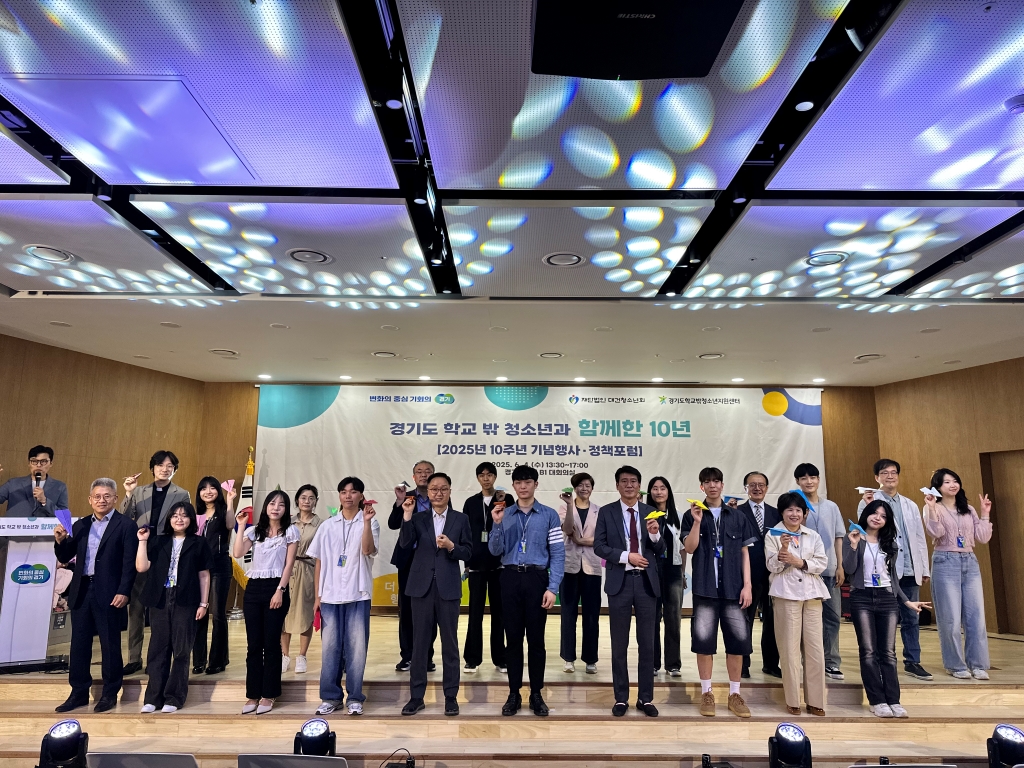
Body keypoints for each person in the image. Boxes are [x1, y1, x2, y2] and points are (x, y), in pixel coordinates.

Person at [53, 478, 137, 713]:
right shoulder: (79, 525)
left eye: (107, 496)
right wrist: (59, 541)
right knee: (79, 645)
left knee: (110, 644)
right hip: (81, 590)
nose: (102, 500)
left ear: (115, 499)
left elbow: (129, 563)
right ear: (90, 500)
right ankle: (78, 692)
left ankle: (110, 693)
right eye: (97, 496)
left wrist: (124, 591)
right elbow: (65, 556)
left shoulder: (126, 525)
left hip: (110, 592)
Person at [488, 464, 565, 717]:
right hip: (509, 577)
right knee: (512, 640)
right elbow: (494, 550)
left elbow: (558, 553)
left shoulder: (549, 515)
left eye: (528, 482)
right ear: (513, 486)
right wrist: (496, 524)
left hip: (537, 578)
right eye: (519, 482)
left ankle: (536, 693)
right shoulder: (504, 513)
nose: (523, 486)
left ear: (535, 484)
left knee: (536, 640)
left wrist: (552, 587)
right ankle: (513, 693)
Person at [843, 500, 931, 718]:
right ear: (866, 514)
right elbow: (849, 569)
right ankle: (877, 700)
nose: (878, 518)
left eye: (883, 516)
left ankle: (893, 700)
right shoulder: (853, 537)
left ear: (887, 521)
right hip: (862, 598)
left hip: (887, 598)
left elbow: (892, 579)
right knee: (868, 651)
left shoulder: (889, 543)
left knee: (888, 653)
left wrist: (907, 601)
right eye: (874, 513)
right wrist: (853, 545)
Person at [682, 467, 756, 718]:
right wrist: (696, 521)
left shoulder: (737, 516)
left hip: (734, 589)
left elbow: (745, 552)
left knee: (737, 643)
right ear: (701, 486)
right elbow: (690, 548)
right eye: (707, 482)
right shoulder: (691, 514)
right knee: (704, 643)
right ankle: (707, 692)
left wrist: (747, 585)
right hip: (705, 589)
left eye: (716, 481)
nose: (712, 485)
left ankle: (735, 694)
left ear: (722, 485)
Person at [399, 472, 472, 717]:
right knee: (419, 644)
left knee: (450, 644)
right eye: (434, 489)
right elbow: (405, 544)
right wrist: (406, 516)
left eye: (443, 489)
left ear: (450, 491)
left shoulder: (461, 519)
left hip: (448, 588)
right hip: (420, 588)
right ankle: (416, 697)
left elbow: (468, 552)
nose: (438, 493)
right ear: (427, 492)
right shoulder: (417, 518)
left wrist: (452, 546)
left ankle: (451, 697)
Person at [595, 466, 665, 717]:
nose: (629, 485)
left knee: (647, 644)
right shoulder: (607, 512)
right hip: (620, 582)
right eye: (624, 481)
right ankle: (621, 698)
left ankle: (645, 698)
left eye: (633, 481)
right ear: (617, 485)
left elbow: (661, 550)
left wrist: (655, 536)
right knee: (619, 643)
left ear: (639, 486)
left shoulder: (651, 512)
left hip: (646, 583)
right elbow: (599, 546)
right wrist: (627, 556)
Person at [308, 477, 380, 716]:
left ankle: (355, 697)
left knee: (357, 648)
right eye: (344, 492)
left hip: (358, 594)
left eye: (353, 492)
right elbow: (319, 562)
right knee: (330, 649)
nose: (348, 496)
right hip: (330, 595)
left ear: (361, 496)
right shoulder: (327, 526)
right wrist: (318, 596)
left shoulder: (370, 522)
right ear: (339, 495)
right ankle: (331, 697)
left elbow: (367, 550)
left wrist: (366, 523)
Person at [858, 459, 932, 681]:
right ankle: (883, 661)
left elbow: (919, 537)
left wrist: (924, 567)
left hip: (910, 568)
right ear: (876, 478)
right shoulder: (869, 502)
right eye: (884, 473)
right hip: (884, 570)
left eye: (893, 472)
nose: (890, 476)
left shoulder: (910, 504)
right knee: (884, 619)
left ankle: (913, 661)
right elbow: (863, 532)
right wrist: (866, 505)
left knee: (911, 618)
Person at [136, 501, 212, 713]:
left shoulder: (199, 543)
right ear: (169, 519)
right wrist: (142, 541)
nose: (179, 519)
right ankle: (153, 698)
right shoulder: (158, 541)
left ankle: (174, 698)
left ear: (191, 520)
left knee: (181, 650)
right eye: (175, 515)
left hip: (186, 599)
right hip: (160, 598)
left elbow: (204, 575)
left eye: (184, 515)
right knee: (157, 649)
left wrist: (204, 603)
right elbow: (142, 567)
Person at [120, 450, 191, 676]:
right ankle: (134, 658)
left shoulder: (182, 493)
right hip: (141, 550)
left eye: (170, 466)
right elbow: (124, 517)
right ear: (152, 468)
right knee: (136, 608)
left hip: (166, 553)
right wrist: (128, 492)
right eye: (160, 465)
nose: (165, 469)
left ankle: (157, 659)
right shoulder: (139, 491)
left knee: (161, 609)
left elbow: (185, 524)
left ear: (175, 469)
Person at [233, 489, 299, 715]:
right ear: (265, 506)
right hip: (254, 588)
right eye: (272, 503)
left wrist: (280, 590)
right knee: (254, 644)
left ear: (286, 509)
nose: (276, 508)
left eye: (281, 504)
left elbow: (289, 564)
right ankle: (252, 694)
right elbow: (237, 552)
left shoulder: (290, 531)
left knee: (271, 644)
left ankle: (269, 694)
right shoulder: (255, 531)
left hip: (276, 587)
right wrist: (241, 525)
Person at [922, 468, 993, 680]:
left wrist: (985, 513)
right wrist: (932, 509)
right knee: (950, 618)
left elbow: (982, 537)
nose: (952, 485)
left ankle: (977, 665)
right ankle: (955, 665)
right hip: (945, 561)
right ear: (937, 486)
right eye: (946, 482)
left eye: (955, 481)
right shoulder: (932, 507)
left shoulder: (968, 509)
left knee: (976, 617)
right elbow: (936, 533)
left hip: (970, 561)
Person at [765, 492, 830, 717]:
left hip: (812, 594)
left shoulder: (813, 535)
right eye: (789, 510)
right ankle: (793, 700)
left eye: (798, 510)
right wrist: (783, 551)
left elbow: (821, 563)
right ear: (782, 513)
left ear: (805, 513)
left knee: (815, 649)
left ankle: (816, 701)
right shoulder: (773, 535)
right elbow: (772, 566)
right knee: (789, 649)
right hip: (786, 594)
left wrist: (800, 562)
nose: (794, 514)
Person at [794, 463, 846, 681]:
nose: (809, 481)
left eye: (813, 477)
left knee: (832, 618)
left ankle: (831, 662)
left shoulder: (831, 507)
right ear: (798, 482)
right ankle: (808, 661)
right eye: (804, 478)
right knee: (804, 620)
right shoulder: (795, 507)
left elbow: (838, 537)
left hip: (829, 571)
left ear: (818, 480)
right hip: (803, 571)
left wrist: (840, 565)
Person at [388, 459, 436, 672]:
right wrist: (399, 502)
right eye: (420, 472)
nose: (424, 475)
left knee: (430, 610)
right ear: (413, 477)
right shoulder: (407, 497)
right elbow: (392, 524)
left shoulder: (439, 497)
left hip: (431, 561)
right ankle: (407, 656)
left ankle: (426, 656)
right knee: (407, 609)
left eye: (428, 471)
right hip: (408, 561)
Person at [735, 471, 781, 678]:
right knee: (744, 620)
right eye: (752, 485)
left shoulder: (776, 513)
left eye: (761, 485)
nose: (757, 488)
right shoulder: (737, 512)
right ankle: (742, 664)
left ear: (767, 488)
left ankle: (771, 663)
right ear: (745, 488)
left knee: (772, 620)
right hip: (746, 575)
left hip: (773, 575)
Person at [463, 462, 507, 674]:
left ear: (495, 477)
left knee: (500, 614)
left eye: (490, 474)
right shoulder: (471, 502)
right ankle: (472, 658)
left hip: (499, 565)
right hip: (476, 565)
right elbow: (464, 533)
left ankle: (501, 658)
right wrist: (466, 563)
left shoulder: (506, 500)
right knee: (475, 613)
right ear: (478, 478)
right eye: (482, 475)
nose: (486, 478)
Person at [557, 472, 601, 675]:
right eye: (580, 485)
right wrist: (568, 506)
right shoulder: (564, 508)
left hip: (592, 566)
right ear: (574, 488)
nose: (584, 489)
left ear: (592, 488)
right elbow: (567, 530)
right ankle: (568, 658)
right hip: (569, 566)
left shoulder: (599, 511)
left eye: (588, 485)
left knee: (591, 614)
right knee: (568, 612)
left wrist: (581, 541)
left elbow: (601, 539)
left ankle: (590, 659)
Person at [192, 476, 235, 675]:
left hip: (219, 566)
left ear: (218, 491)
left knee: (217, 614)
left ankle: (218, 660)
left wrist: (231, 501)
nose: (208, 492)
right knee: (198, 613)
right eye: (203, 488)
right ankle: (198, 660)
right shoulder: (195, 514)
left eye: (212, 488)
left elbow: (230, 525)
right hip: (198, 568)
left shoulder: (223, 511)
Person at [282, 484, 322, 675]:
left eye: (311, 498)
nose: (307, 501)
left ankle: (302, 656)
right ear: (297, 500)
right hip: (287, 571)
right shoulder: (287, 522)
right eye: (303, 497)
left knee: (305, 613)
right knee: (284, 614)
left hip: (308, 571)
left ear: (316, 501)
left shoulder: (321, 524)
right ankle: (284, 655)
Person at [647, 476, 684, 677]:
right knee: (651, 618)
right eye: (655, 488)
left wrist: (682, 573)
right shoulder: (645, 515)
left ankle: (673, 664)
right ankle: (653, 663)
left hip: (673, 571)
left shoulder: (677, 516)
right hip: (651, 571)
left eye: (662, 488)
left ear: (668, 492)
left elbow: (683, 549)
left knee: (673, 618)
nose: (659, 492)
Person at [0, 445, 69, 517]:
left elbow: (64, 516)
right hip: (16, 524)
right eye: (34, 461)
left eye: (43, 461)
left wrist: (44, 501)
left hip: (45, 524)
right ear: (29, 463)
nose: (38, 465)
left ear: (50, 464)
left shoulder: (59, 487)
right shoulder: (13, 483)